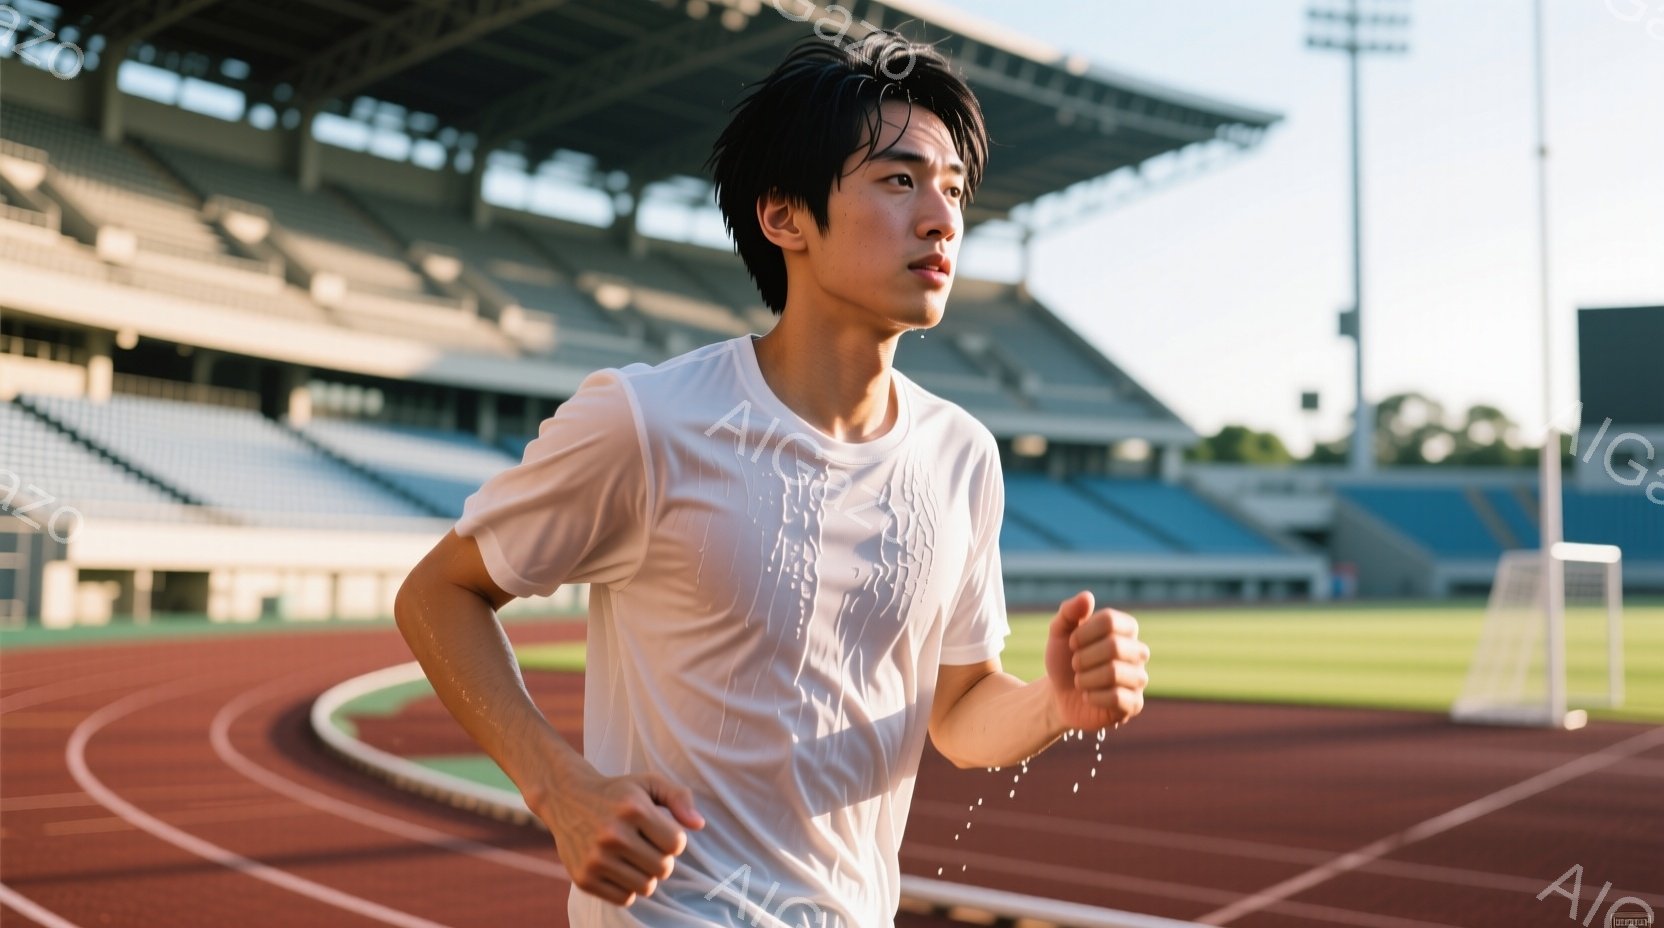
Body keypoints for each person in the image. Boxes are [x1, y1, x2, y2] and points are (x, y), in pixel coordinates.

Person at [394, 30, 1150, 928]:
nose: (943, 218)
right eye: (899, 180)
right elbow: (438, 594)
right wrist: (561, 787)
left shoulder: (962, 455)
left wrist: (1052, 704)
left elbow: (957, 710)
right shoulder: (648, 421)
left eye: (952, 189)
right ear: (784, 216)